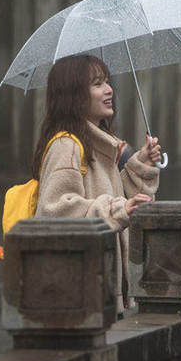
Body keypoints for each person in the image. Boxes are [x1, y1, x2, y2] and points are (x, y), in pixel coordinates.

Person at [32, 54, 162, 314]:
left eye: (107, 81)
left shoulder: (99, 146)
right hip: (79, 295)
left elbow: (118, 200)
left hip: (97, 290)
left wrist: (140, 166)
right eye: (97, 83)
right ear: (73, 94)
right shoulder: (66, 145)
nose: (109, 89)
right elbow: (54, 211)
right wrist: (117, 210)